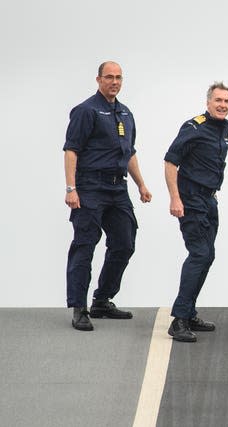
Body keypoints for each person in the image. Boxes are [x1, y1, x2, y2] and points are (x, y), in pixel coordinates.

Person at [64, 61, 152, 331]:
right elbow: (71, 150)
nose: (114, 82)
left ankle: (102, 300)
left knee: (125, 242)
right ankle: (79, 307)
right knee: (85, 244)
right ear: (98, 79)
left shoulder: (125, 113)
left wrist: (141, 185)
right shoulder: (86, 111)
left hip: (118, 188)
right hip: (90, 186)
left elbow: (130, 152)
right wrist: (71, 189)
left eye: (119, 78)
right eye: (109, 77)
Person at [164, 82, 228, 343]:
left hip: (209, 200)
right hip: (191, 199)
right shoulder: (194, 127)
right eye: (218, 100)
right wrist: (175, 198)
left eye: (227, 101)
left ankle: (189, 312)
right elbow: (171, 161)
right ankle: (179, 320)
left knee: (208, 255)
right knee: (200, 253)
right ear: (208, 102)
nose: (222, 105)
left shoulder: (222, 131)